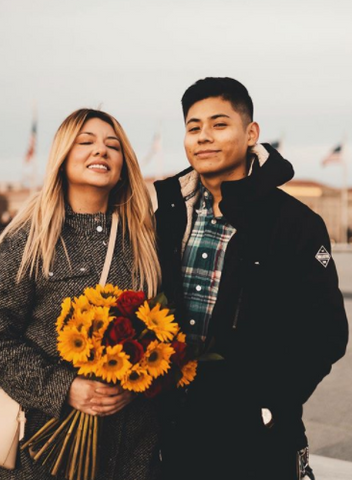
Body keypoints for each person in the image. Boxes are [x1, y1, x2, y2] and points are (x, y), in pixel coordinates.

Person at [154, 77, 349, 480]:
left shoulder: (295, 223)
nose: (204, 136)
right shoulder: (167, 215)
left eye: (219, 124)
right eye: (194, 127)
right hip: (169, 427)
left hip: (255, 435)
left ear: (251, 133)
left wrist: (270, 405)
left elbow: (327, 333)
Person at [0, 109, 162, 480]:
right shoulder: (28, 239)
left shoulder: (144, 241)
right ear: (62, 157)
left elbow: (161, 336)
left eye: (112, 146)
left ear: (124, 164)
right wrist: (64, 387)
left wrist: (137, 385)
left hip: (132, 453)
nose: (100, 152)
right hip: (41, 450)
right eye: (86, 142)